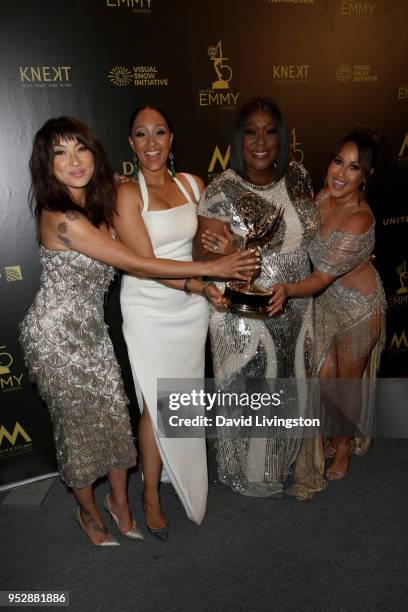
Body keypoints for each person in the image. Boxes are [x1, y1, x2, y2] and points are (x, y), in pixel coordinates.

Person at [19, 116, 260, 545]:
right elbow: (138, 262)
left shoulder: (98, 201)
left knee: (115, 421)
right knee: (77, 430)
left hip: (93, 333)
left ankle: (121, 502)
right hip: (56, 336)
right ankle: (88, 512)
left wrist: (219, 257)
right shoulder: (62, 219)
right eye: (60, 153)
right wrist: (208, 272)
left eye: (81, 149)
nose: (74, 160)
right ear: (46, 164)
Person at [114, 105, 229, 537]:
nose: (152, 143)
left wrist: (224, 244)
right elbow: (144, 265)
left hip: (192, 305)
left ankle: (171, 475)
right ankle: (150, 495)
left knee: (180, 398)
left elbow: (205, 246)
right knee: (153, 402)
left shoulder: (192, 184)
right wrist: (200, 285)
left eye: (159, 132)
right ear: (131, 144)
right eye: (141, 135)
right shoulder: (128, 194)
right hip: (149, 304)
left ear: (171, 138)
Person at [194, 97, 317, 497]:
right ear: (238, 139)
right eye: (251, 131)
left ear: (281, 137)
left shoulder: (298, 176)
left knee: (291, 384)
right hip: (246, 315)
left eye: (269, 130)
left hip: (297, 303)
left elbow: (315, 231)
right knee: (253, 389)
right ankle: (250, 471)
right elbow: (202, 257)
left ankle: (281, 461)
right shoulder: (223, 188)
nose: (261, 140)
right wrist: (231, 248)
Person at [267, 127, 386, 496]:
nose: (341, 173)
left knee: (344, 383)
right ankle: (333, 435)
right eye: (338, 162)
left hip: (357, 309)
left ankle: (344, 445)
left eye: (354, 168)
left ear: (365, 177)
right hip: (324, 304)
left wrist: (286, 290)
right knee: (325, 376)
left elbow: (319, 278)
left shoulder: (359, 219)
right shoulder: (320, 198)